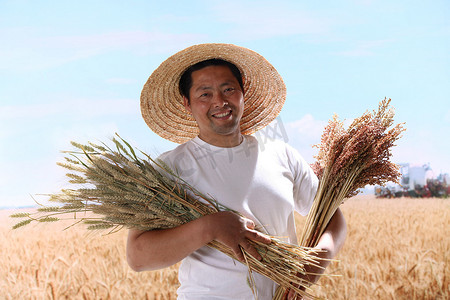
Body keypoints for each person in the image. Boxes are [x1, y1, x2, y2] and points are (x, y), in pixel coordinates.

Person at [127, 43, 347, 300]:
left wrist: (313, 265)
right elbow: (138, 256)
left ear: (243, 92)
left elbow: (333, 219)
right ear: (187, 103)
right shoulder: (170, 170)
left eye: (228, 89)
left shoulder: (281, 154)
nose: (220, 101)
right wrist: (211, 226)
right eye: (204, 94)